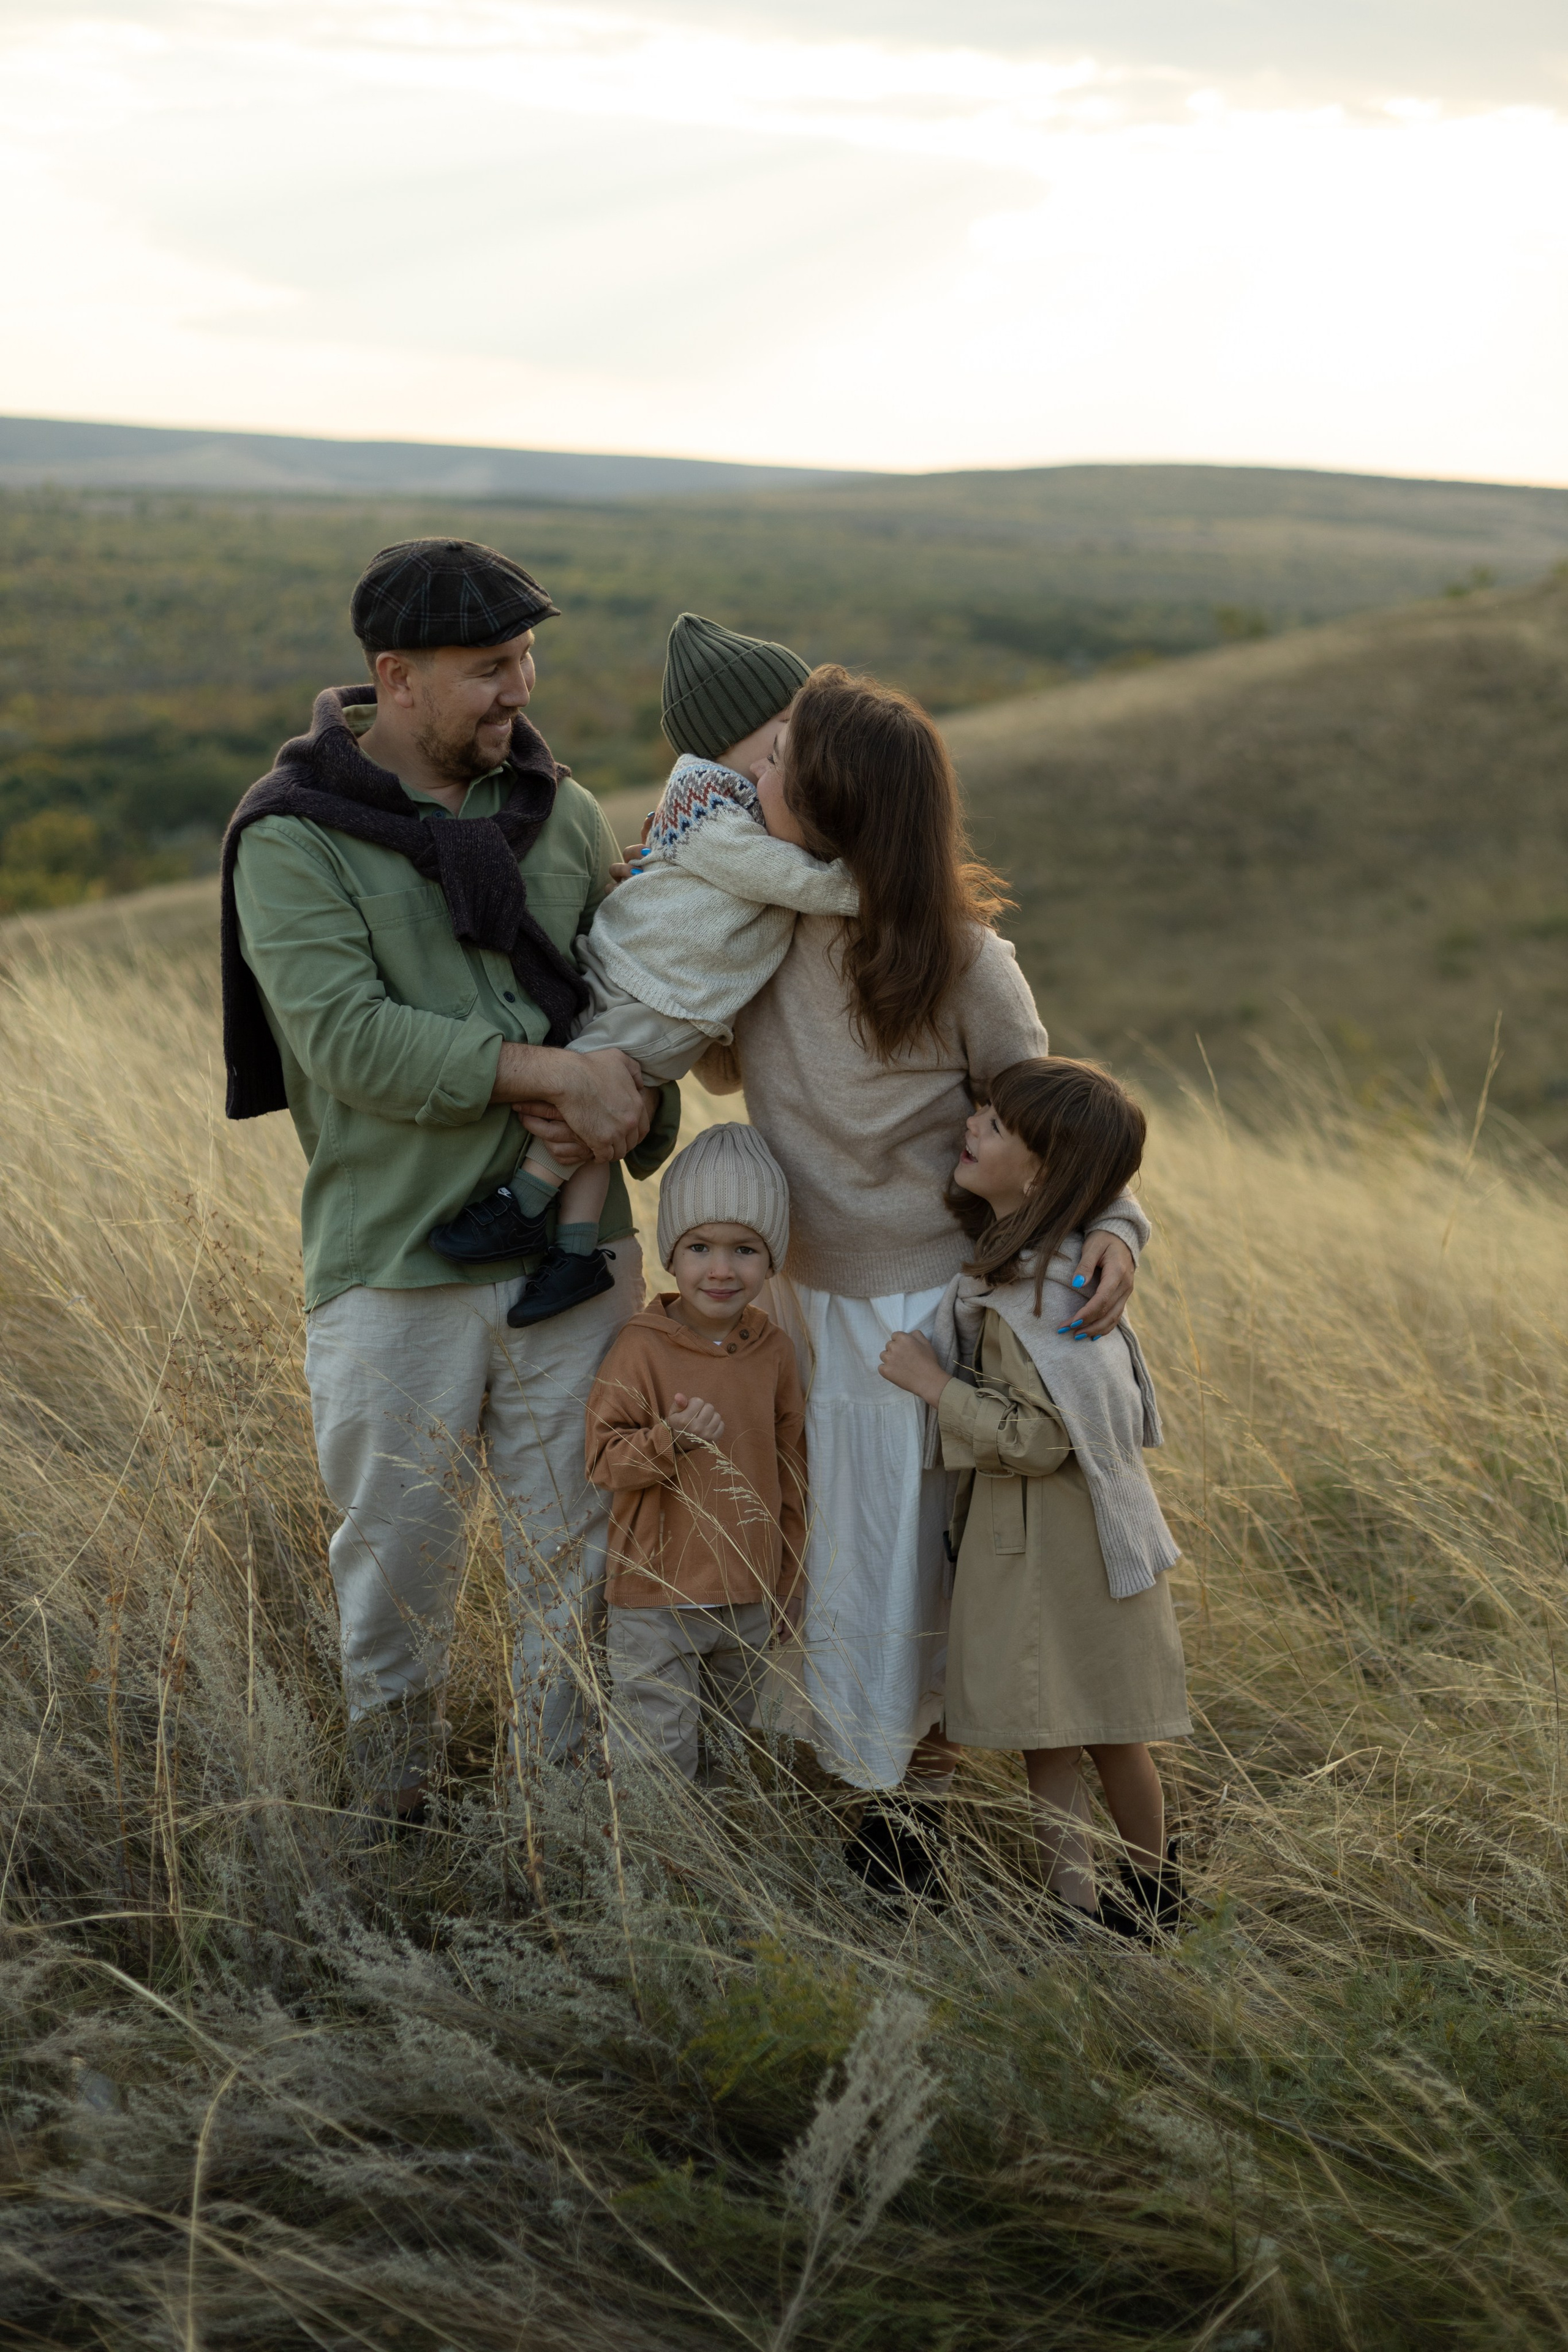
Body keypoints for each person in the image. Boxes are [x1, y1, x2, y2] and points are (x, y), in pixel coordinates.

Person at [220, 536, 680, 1815]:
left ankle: (575, 1848)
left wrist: (633, 1091)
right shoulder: (294, 839)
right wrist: (557, 1081)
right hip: (392, 1269)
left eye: (527, 658)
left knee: (579, 1577)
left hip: (575, 1269)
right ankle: (396, 1833)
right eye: (488, 667)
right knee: (396, 1579)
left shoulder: (565, 813)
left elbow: (628, 1006)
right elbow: (348, 1041)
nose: (519, 689)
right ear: (396, 677)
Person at [703, 666, 1151, 1891]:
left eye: (779, 759)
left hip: (925, 1308)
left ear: (834, 807)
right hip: (797, 1298)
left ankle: (914, 1826)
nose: (756, 772)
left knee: (921, 1563)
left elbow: (1058, 1123)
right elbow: (709, 1066)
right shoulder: (752, 921)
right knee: (830, 1557)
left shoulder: (965, 962)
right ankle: (868, 1801)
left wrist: (1120, 1224)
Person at [427, 612, 857, 1327]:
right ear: (731, 737)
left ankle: (572, 1251)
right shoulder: (716, 815)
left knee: (606, 1108)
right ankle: (523, 1203)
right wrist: (873, 885)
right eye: (786, 724)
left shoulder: (729, 806)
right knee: (594, 1093)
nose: (799, 739)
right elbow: (794, 879)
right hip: (653, 994)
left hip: (648, 986)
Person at [878, 1058, 1189, 1929]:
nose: (971, 1129)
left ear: (1042, 1171)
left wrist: (936, 1387)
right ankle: (1075, 1910)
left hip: (1071, 1547)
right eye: (980, 1113)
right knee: (1045, 1734)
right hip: (1024, 1547)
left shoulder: (1051, 1293)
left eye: (995, 1126)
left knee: (1110, 1727)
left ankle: (1158, 1891)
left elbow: (1048, 1437)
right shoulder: (1011, 1264)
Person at [584, 1123, 807, 1783]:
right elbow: (603, 1461)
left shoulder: (773, 1352)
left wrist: (787, 1582)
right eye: (700, 1246)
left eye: (744, 1249)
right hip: (656, 1598)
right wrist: (669, 1441)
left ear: (771, 1262)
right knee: (657, 1761)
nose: (720, 1269)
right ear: (671, 1256)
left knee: (728, 1759)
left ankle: (709, 1883)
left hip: (745, 1597)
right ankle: (652, 1878)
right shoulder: (641, 1347)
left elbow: (791, 1475)